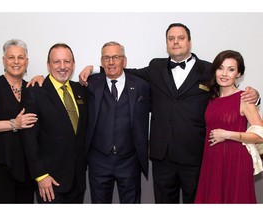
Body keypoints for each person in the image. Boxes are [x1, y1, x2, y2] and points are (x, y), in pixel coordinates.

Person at [79, 23, 260, 203]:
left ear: (189, 42)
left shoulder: (208, 70)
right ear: (166, 43)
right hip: (162, 157)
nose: (176, 42)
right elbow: (123, 71)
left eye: (181, 38)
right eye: (171, 38)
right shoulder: (156, 67)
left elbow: (227, 93)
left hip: (195, 156)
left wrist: (255, 97)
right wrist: (95, 69)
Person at [20, 43, 88, 203]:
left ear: (73, 64)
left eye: (67, 61)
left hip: (77, 182)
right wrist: (40, 175)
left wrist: (92, 68)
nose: (62, 66)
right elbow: (28, 139)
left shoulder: (81, 90)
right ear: (48, 65)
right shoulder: (35, 92)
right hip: (50, 182)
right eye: (57, 62)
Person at [195, 50, 263, 203]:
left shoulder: (244, 98)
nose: (224, 73)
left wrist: (228, 134)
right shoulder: (211, 98)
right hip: (212, 160)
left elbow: (260, 135)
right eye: (220, 68)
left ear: (238, 74)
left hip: (235, 162)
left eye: (231, 69)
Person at [85, 41, 150, 203]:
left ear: (124, 60)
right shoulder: (90, 84)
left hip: (129, 160)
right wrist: (41, 79)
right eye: (106, 58)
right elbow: (63, 82)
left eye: (115, 57)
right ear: (101, 62)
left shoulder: (141, 86)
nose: (111, 62)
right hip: (99, 160)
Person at [0, 39, 38, 203]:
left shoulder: (31, 88)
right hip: (0, 163)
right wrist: (13, 124)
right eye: (11, 57)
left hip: (26, 165)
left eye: (20, 57)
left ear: (27, 61)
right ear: (4, 60)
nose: (16, 62)